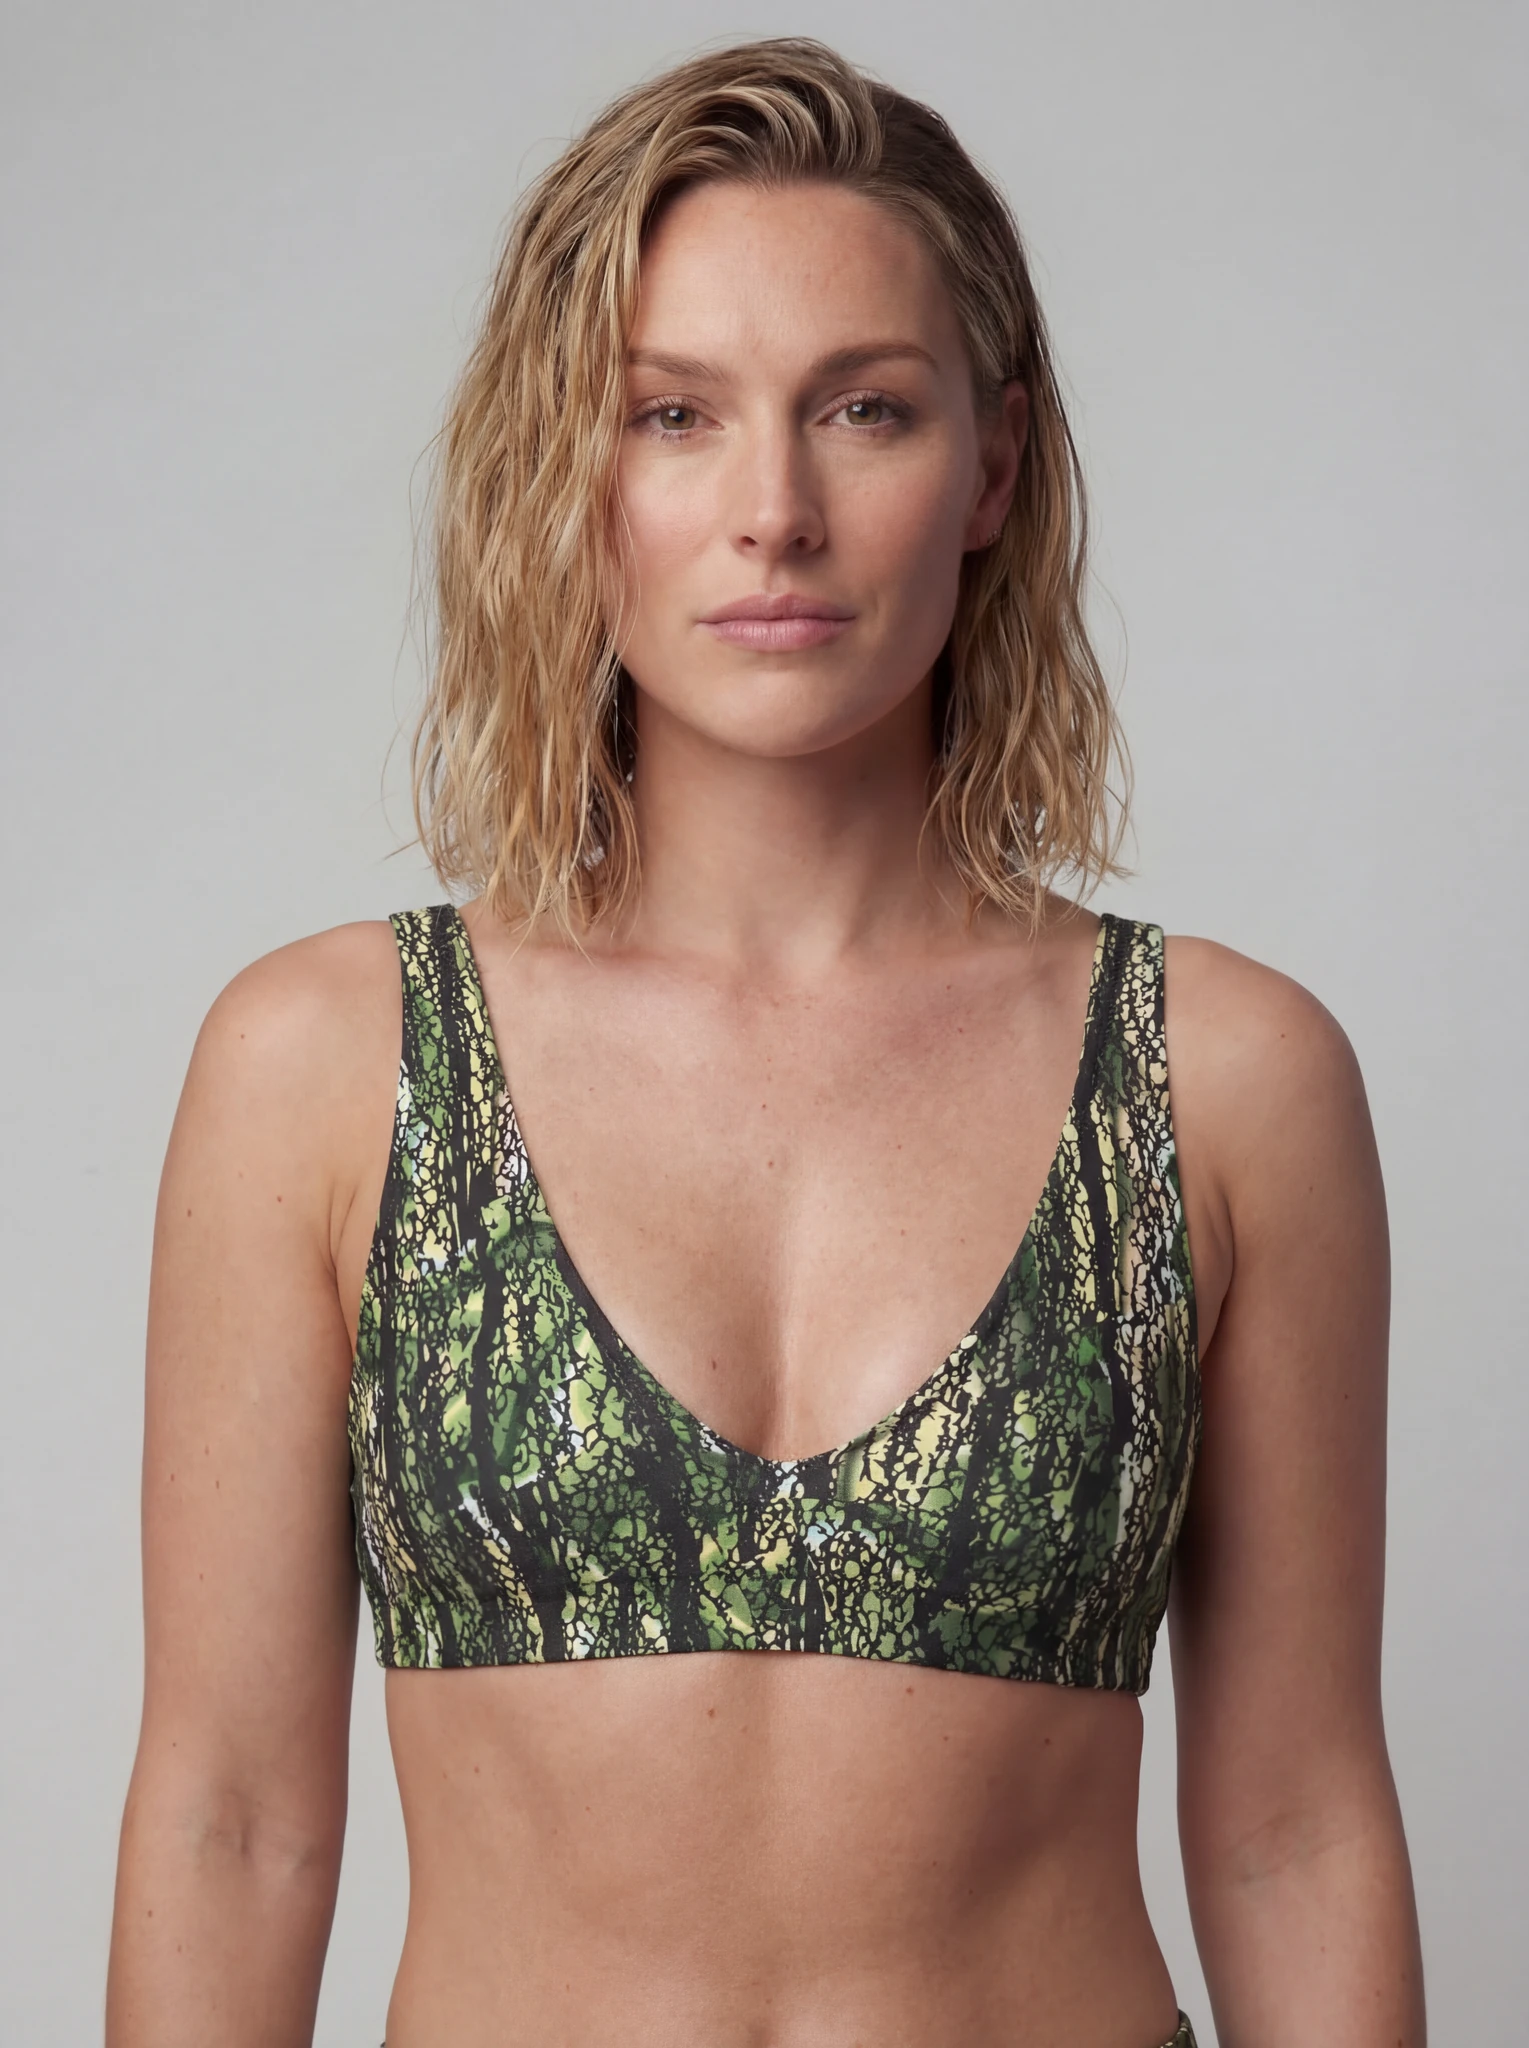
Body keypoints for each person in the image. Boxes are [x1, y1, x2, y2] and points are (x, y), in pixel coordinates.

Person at [105, 37, 1425, 2048]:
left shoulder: (1222, 1081)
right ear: (570, 470)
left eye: (864, 409)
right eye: (674, 416)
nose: (775, 514)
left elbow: (1291, 1831)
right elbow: (233, 1824)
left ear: (991, 466)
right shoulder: (325, 1068)